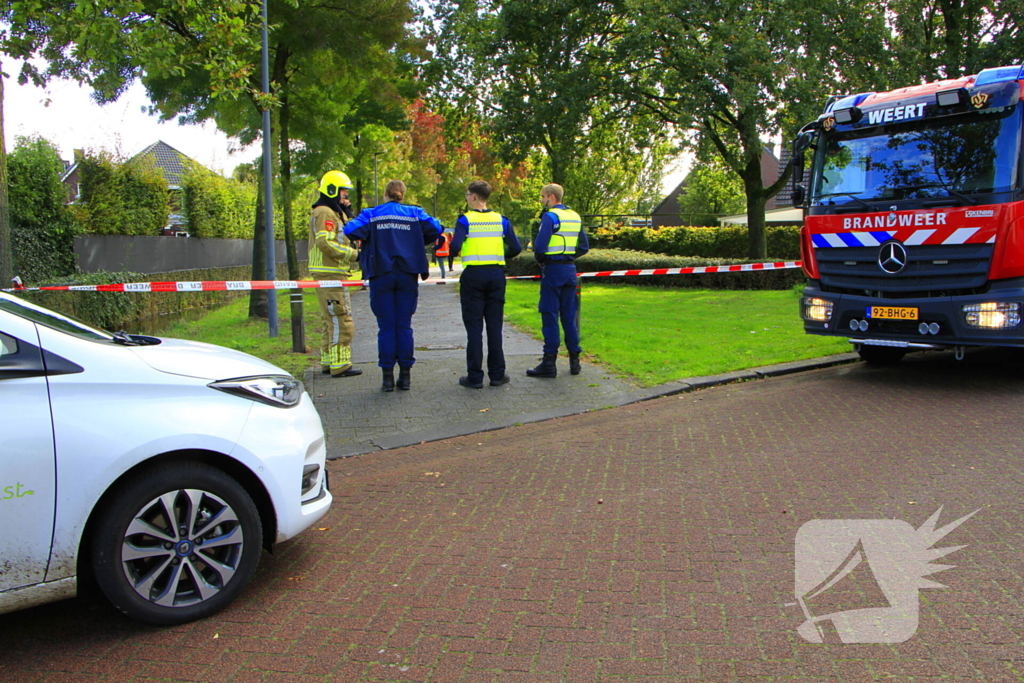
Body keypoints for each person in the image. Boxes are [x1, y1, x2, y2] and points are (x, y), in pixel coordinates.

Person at [343, 179, 444, 391]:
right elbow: (437, 227)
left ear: (385, 194)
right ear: (403, 194)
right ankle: (405, 377)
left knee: (386, 327)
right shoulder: (415, 213)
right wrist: (416, 238)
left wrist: (353, 214)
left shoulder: (372, 214)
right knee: (404, 325)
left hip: (381, 274)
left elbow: (350, 229)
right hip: (408, 273)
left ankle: (387, 378)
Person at [450, 180, 522, 389]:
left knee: (474, 328)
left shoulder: (465, 220)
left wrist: (460, 248)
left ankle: (475, 377)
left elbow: (454, 246)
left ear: (473, 196)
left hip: (473, 275)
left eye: (467, 194)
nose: (466, 197)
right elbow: (515, 248)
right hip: (496, 274)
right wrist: (500, 254)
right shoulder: (501, 220)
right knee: (494, 326)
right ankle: (497, 374)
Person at [527, 183, 590, 378]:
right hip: (569, 270)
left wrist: (542, 260)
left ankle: (549, 363)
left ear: (552, 197)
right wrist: (568, 256)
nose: (542, 201)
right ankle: (574, 361)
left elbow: (539, 246)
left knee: (549, 314)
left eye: (543, 197)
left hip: (553, 271)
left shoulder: (550, 217)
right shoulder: (575, 217)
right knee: (568, 317)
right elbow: (584, 246)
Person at [308, 170, 361, 378]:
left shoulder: (331, 211)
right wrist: (354, 255)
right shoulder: (325, 213)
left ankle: (328, 362)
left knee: (329, 320)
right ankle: (341, 365)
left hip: (328, 273)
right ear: (332, 190)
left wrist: (348, 212)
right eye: (343, 192)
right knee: (341, 318)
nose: (345, 197)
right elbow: (325, 242)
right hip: (331, 274)